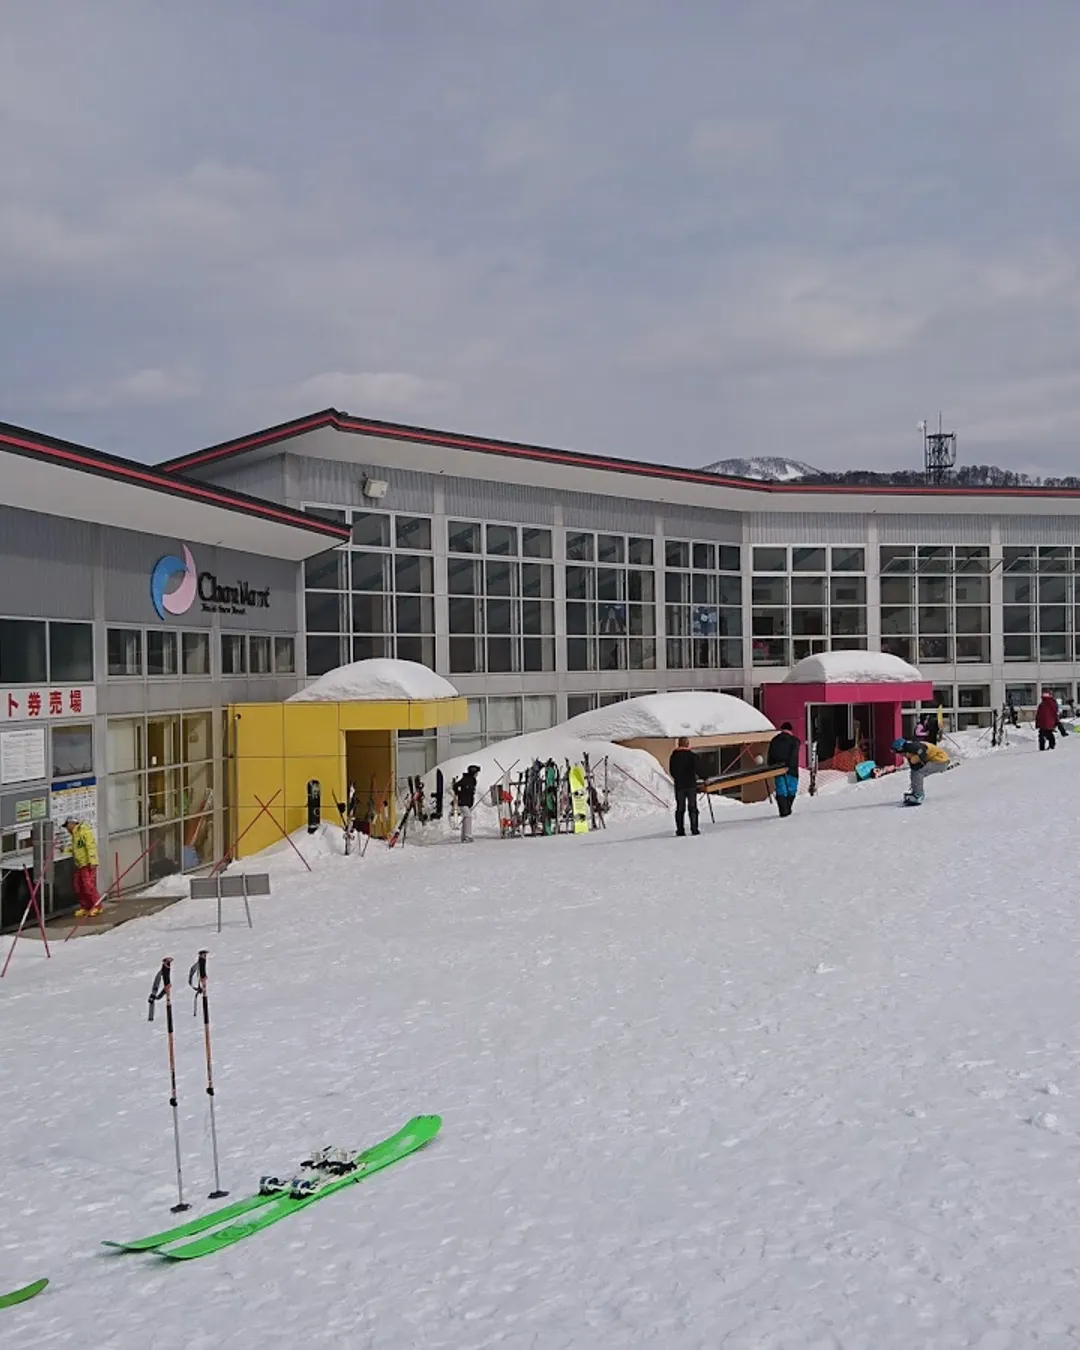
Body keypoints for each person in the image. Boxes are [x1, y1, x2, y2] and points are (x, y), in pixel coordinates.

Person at [891, 736, 950, 805]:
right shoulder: (909, 751)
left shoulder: (912, 747)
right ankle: (915, 792)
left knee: (919, 772)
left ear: (900, 749)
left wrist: (921, 760)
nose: (900, 755)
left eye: (898, 752)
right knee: (915, 771)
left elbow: (923, 750)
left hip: (941, 761)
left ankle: (918, 796)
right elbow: (914, 768)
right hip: (937, 761)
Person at [64, 816, 102, 917]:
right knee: (78, 886)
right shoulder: (75, 835)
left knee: (88, 886)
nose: (67, 829)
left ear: (72, 824)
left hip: (87, 864)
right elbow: (76, 849)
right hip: (80, 865)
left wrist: (92, 860)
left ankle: (97, 906)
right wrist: (65, 850)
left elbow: (91, 846)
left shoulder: (84, 831)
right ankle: (85, 907)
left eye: (67, 826)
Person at [767, 721, 801, 817]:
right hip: (791, 769)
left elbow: (770, 756)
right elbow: (794, 755)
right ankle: (787, 809)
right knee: (791, 790)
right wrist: (791, 766)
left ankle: (783, 810)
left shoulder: (774, 740)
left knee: (781, 789)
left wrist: (771, 767)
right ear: (790, 730)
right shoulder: (794, 741)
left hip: (777, 768)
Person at [668, 736, 701, 836]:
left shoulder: (674, 756)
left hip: (679, 785)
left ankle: (680, 830)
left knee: (680, 808)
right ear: (687, 744)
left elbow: (672, 771)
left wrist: (678, 778)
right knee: (692, 807)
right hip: (691, 784)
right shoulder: (692, 756)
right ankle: (694, 829)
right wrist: (704, 777)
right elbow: (698, 768)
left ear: (678, 744)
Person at [452, 765, 480, 843]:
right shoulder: (467, 779)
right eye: (476, 772)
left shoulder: (472, 780)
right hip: (463, 801)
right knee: (468, 816)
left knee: (466, 817)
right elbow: (456, 786)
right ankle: (468, 836)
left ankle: (464, 836)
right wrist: (459, 793)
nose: (477, 774)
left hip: (467, 802)